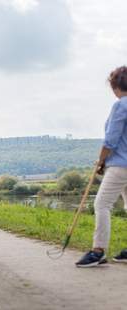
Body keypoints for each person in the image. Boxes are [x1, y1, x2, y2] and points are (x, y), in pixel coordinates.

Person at [76, 66, 127, 267]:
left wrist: (101, 161)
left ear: (115, 86)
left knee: (101, 204)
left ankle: (98, 251)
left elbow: (110, 141)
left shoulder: (120, 106)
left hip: (120, 165)